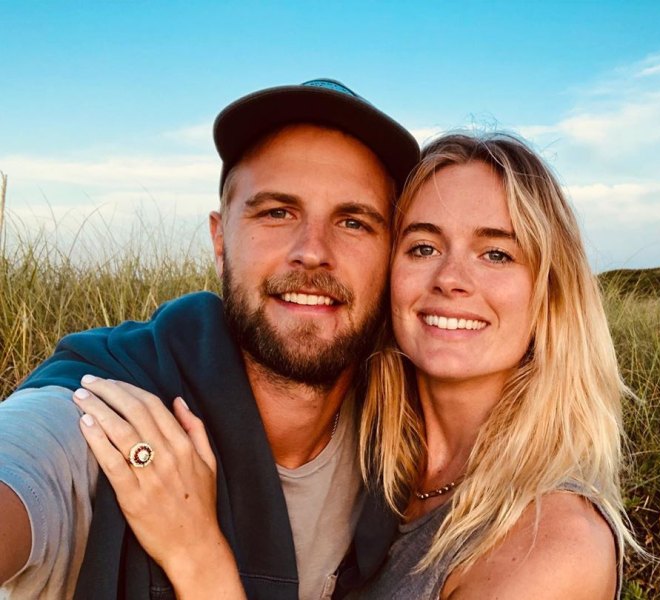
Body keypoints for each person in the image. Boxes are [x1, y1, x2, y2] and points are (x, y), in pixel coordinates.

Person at [72, 132, 637, 599]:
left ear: (549, 292)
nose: (450, 279)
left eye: (496, 253)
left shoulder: (555, 546)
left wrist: (196, 556)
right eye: (422, 246)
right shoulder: (380, 453)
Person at [0, 79, 419, 599]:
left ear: (392, 259)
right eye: (277, 213)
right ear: (221, 241)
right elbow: (26, 454)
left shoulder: (404, 439)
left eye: (353, 222)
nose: (312, 251)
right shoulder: (113, 401)